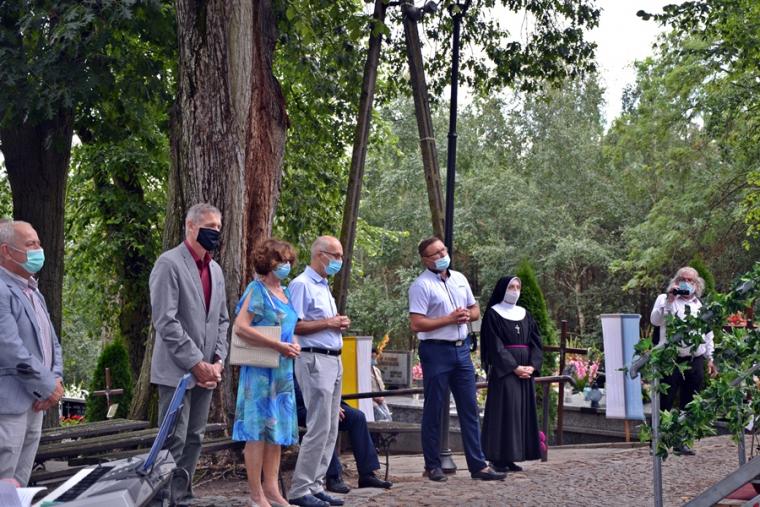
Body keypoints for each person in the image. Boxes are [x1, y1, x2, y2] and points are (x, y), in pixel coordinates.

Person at [150, 203, 229, 504]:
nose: (215, 232)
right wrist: (196, 363)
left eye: (218, 227)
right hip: (176, 371)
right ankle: (162, 497)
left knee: (195, 437)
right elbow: (165, 321)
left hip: (208, 372)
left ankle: (182, 495)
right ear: (191, 226)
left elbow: (222, 320)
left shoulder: (215, 270)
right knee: (174, 438)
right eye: (210, 227)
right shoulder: (169, 264)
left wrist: (218, 361)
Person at [408, 236, 505, 482]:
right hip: (436, 351)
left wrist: (466, 316)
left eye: (443, 251)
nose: (442, 256)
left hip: (461, 350)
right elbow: (416, 323)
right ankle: (432, 465)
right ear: (425, 260)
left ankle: (478, 465)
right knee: (434, 407)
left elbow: (475, 309)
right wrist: (448, 319)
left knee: (469, 407)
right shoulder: (421, 286)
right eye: (436, 254)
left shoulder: (459, 279)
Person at [232, 239, 300, 507]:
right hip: (260, 371)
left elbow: (290, 326)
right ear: (267, 262)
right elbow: (241, 327)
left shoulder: (286, 293)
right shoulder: (257, 289)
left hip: (282, 370)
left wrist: (293, 344)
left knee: (276, 433)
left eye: (288, 261)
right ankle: (256, 494)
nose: (286, 265)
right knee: (257, 433)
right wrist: (276, 344)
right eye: (280, 261)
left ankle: (272, 490)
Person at [287, 236, 350, 507]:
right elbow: (294, 325)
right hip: (314, 359)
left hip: (334, 359)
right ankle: (300, 488)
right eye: (335, 255)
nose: (339, 260)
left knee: (331, 427)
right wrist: (328, 323)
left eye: (341, 255)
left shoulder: (324, 286)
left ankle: (316, 484)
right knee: (318, 426)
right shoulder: (301, 284)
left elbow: (325, 323)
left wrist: (336, 324)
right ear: (319, 254)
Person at [0, 220, 64, 486]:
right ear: (6, 251)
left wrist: (56, 379)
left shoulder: (34, 291)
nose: (39, 249)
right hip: (8, 407)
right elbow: (9, 348)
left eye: (38, 242)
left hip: (36, 403)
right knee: (4, 484)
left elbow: (52, 342)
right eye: (30, 244)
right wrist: (48, 386)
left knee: (19, 487)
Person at [650, 266, 718, 455]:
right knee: (665, 401)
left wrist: (710, 358)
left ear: (697, 284)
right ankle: (658, 442)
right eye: (683, 279)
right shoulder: (664, 299)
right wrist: (670, 300)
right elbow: (655, 321)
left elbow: (708, 334)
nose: (687, 283)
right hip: (671, 359)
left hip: (694, 360)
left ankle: (682, 441)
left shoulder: (700, 306)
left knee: (690, 402)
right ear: (676, 281)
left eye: (691, 280)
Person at [480, 275, 543, 473]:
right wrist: (514, 367)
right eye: (511, 287)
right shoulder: (493, 314)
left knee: (520, 413)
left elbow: (536, 342)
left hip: (525, 372)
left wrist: (532, 366)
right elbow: (494, 345)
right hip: (505, 372)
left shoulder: (525, 314)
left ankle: (512, 456)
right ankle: (498, 458)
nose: (515, 291)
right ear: (502, 289)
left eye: (517, 287)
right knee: (505, 412)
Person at [293, 382, 392, 495]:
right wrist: (326, 404)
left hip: (326, 401)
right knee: (323, 421)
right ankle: (333, 476)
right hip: (303, 406)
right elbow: (298, 389)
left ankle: (367, 474)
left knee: (357, 417)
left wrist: (333, 403)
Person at [370, 347, 392, 422]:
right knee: (381, 416)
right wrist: (375, 398)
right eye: (372, 357)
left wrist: (382, 396)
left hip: (381, 400)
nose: (374, 359)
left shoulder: (377, 370)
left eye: (375, 357)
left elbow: (381, 386)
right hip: (371, 401)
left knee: (388, 417)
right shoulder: (363, 371)